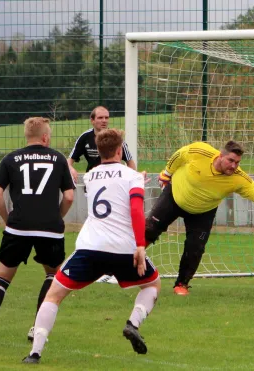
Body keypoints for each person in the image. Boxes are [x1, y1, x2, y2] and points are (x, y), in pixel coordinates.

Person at [22, 128, 160, 364]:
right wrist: (140, 245)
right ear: (120, 151)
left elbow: (111, 186)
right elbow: (135, 209)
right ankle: (132, 323)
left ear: (98, 153)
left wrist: (135, 178)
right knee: (152, 285)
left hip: (90, 247)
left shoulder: (91, 175)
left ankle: (34, 353)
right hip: (124, 248)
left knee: (54, 295)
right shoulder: (131, 176)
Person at [145, 140, 254, 296]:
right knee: (148, 231)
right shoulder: (200, 151)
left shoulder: (239, 179)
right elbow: (180, 154)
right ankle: (126, 264)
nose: (234, 166)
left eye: (237, 162)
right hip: (174, 196)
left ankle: (182, 284)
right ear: (221, 156)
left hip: (203, 211)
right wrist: (166, 173)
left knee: (195, 248)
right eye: (231, 160)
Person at [0, 117, 75, 345]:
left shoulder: (11, 158)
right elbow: (69, 196)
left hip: (17, 227)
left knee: (2, 278)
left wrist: (8, 219)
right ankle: (36, 329)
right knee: (52, 275)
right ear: (46, 137)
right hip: (50, 229)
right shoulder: (58, 159)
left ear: (27, 136)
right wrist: (56, 217)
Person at [68, 106, 136, 182]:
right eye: (100, 118)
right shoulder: (84, 137)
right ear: (92, 120)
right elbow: (69, 162)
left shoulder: (116, 138)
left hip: (114, 181)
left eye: (106, 118)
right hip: (93, 180)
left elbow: (131, 164)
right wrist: (71, 169)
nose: (104, 121)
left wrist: (130, 181)